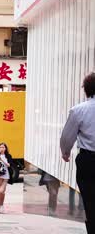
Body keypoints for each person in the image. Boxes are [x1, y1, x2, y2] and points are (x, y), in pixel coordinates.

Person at [60, 72, 95, 233]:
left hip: (88, 160)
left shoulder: (78, 110)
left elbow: (67, 137)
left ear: (86, 90)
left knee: (90, 201)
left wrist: (65, 153)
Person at [0, 142, 14, 213]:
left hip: (5, 176)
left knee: (1, 191)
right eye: (0, 147)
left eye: (3, 147)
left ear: (6, 148)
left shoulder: (8, 156)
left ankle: (1, 205)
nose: (1, 148)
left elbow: (9, 165)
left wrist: (1, 160)